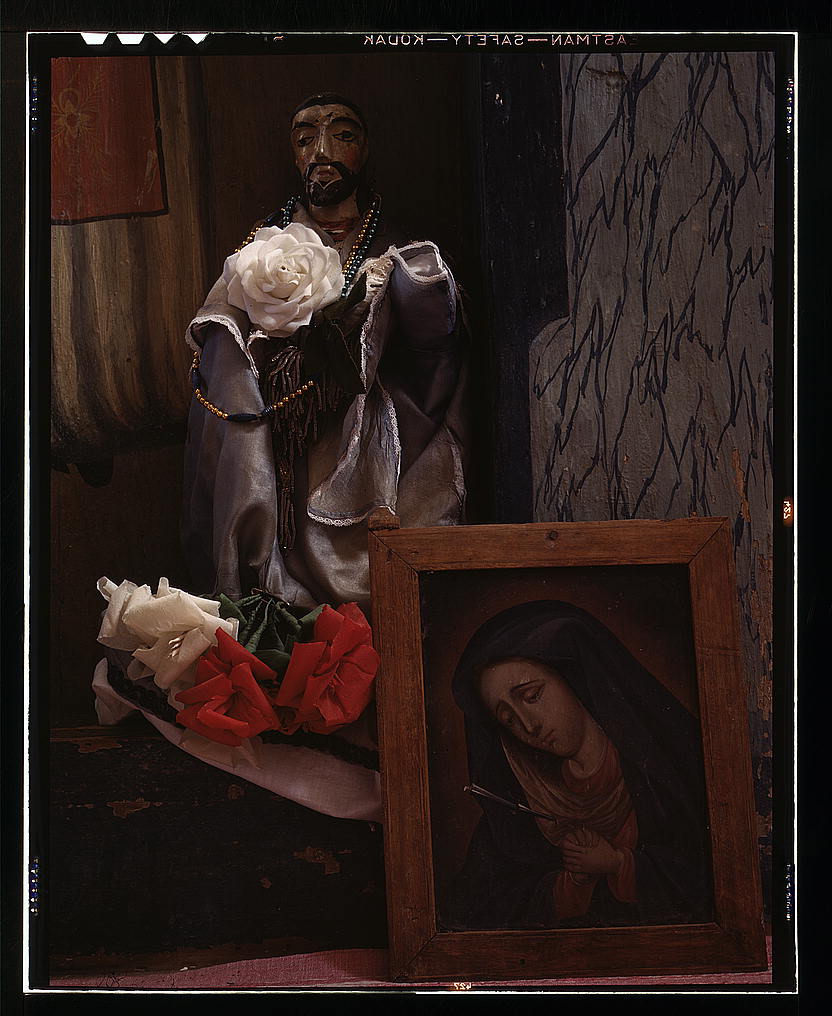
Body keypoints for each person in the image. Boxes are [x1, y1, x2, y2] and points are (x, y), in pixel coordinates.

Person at [182, 93, 467, 610]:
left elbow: (433, 353)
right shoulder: (260, 246)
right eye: (306, 138)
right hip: (281, 432)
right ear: (294, 156)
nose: (323, 150)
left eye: (342, 135)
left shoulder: (394, 245)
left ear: (365, 149)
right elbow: (226, 328)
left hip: (364, 428)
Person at [446, 600, 712, 930]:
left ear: (573, 676)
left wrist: (619, 865)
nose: (529, 727)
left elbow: (710, 878)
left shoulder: (666, 768)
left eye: (532, 696)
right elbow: (478, 912)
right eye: (508, 719)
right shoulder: (518, 810)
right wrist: (571, 884)